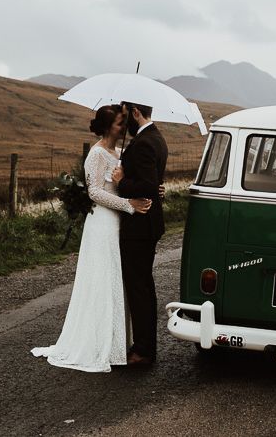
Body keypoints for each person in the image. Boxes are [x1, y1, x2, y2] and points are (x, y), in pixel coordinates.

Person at [30, 105, 151, 372]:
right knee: (101, 279)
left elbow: (129, 181)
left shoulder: (120, 154)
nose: (124, 128)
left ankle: (115, 342)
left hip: (118, 223)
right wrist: (128, 204)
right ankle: (96, 344)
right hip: (102, 224)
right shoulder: (96, 154)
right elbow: (95, 193)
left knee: (116, 279)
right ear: (108, 127)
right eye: (120, 123)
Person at [112, 101, 168, 366]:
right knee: (144, 285)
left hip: (140, 224)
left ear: (136, 113)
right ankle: (147, 346)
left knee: (138, 287)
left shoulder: (145, 142)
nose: (125, 123)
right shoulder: (157, 137)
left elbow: (146, 184)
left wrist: (121, 183)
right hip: (150, 223)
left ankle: (143, 350)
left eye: (127, 115)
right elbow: (153, 182)